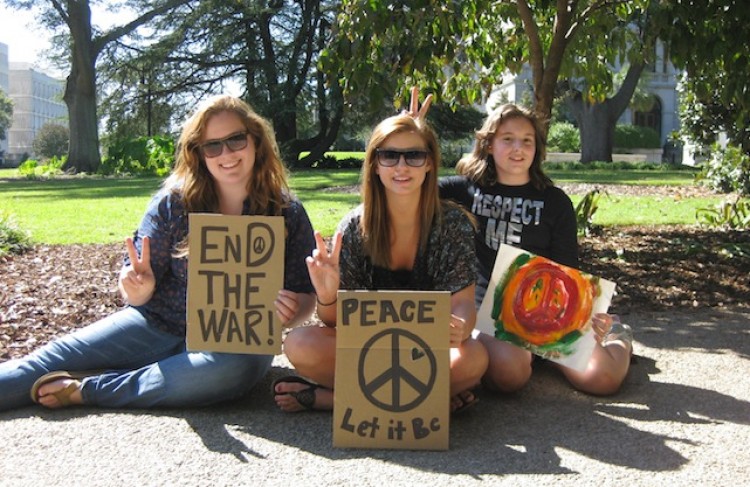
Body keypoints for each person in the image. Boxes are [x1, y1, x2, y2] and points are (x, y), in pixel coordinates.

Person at [0, 95, 316, 411]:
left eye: (236, 139)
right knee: (43, 362)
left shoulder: (285, 211)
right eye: (212, 145)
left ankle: (90, 389)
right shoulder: (172, 204)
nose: (226, 154)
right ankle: (140, 372)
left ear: (255, 142)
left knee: (233, 371)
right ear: (199, 153)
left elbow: (305, 298)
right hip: (156, 324)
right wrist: (138, 286)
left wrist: (292, 310)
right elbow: (135, 290)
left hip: (236, 341)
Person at [273, 112, 489, 413]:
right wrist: (327, 294)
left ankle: (334, 400)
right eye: (389, 156)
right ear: (375, 164)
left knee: (474, 358)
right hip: (367, 351)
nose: (402, 166)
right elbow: (335, 321)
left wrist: (462, 327)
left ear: (429, 163)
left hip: (425, 353)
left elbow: (463, 303)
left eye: (414, 155)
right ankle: (428, 400)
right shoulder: (353, 227)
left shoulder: (453, 223)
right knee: (299, 343)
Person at [439, 103, 633, 395]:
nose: (518, 148)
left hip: (547, 315)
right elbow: (404, 184)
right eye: (507, 139)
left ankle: (620, 335)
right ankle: (534, 357)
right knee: (509, 374)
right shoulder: (462, 190)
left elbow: (568, 270)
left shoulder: (555, 202)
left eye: (527, 140)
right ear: (489, 144)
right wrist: (409, 131)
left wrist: (588, 316)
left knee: (602, 380)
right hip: (488, 314)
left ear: (536, 147)